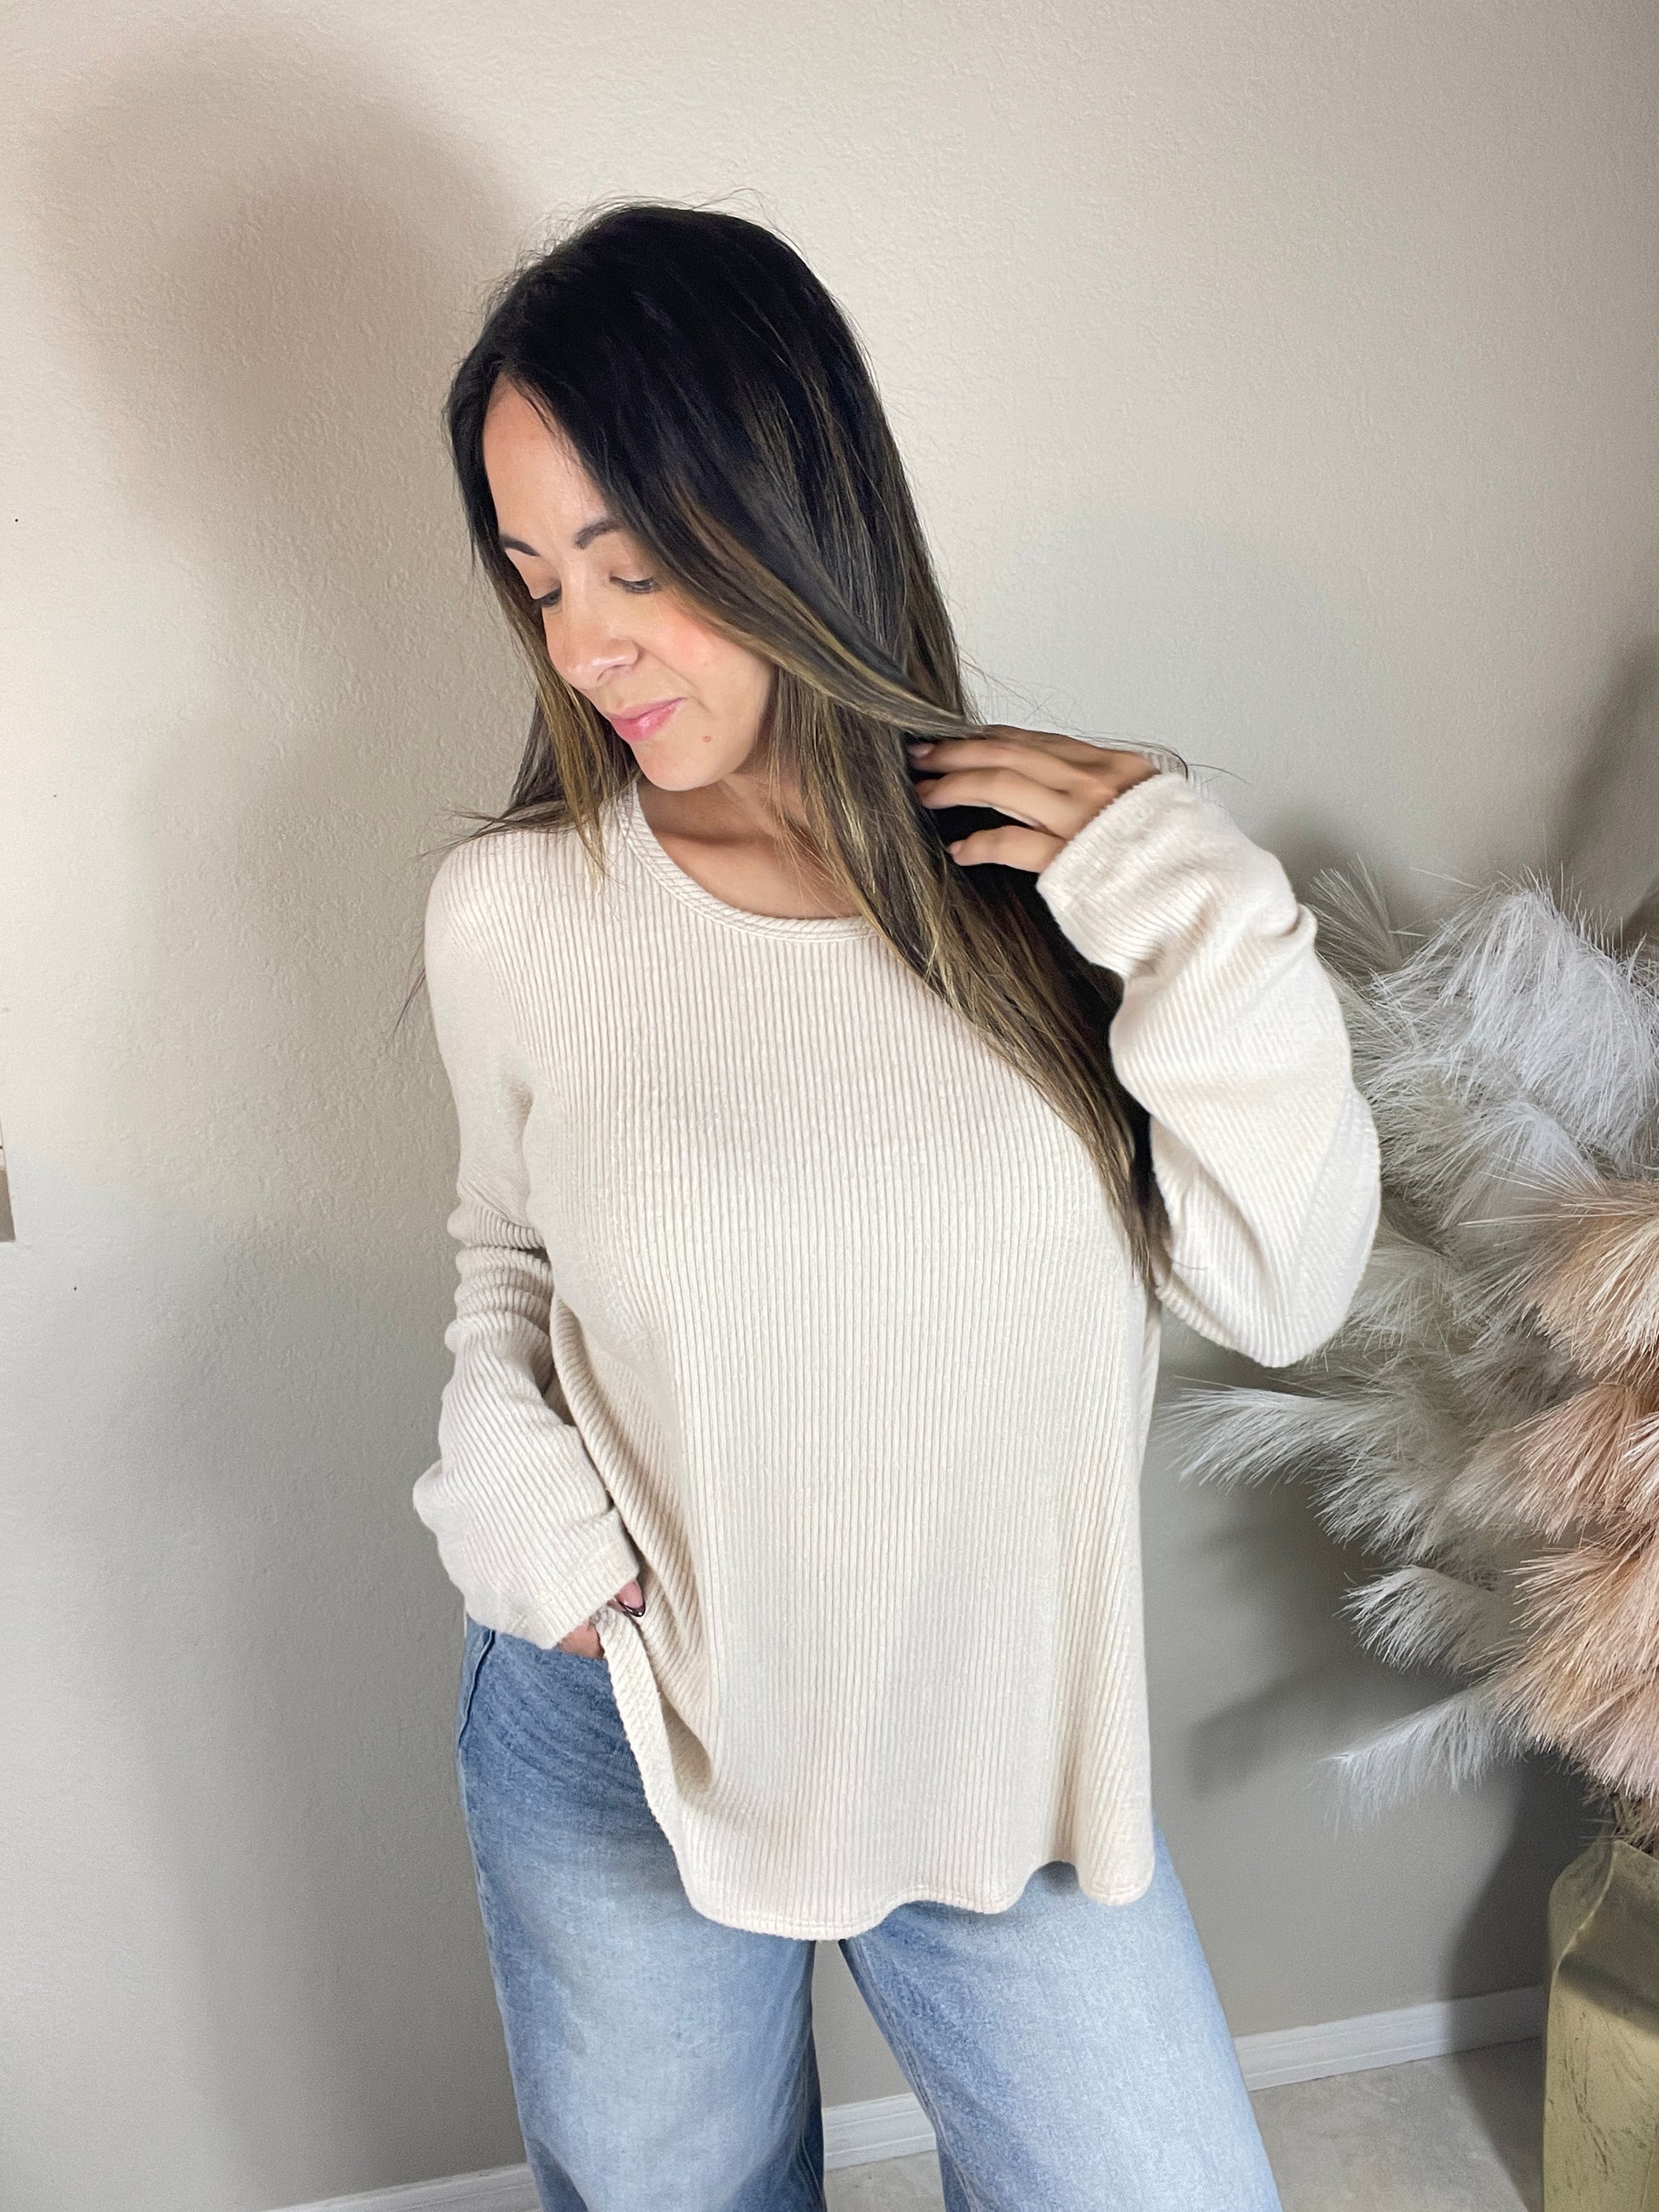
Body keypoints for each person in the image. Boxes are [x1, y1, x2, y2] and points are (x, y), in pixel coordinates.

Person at [413, 199, 1381, 2212]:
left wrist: (1207, 913)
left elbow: (1280, 1288)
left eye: (636, 562)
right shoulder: (517, 908)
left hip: (994, 1747)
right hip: (627, 1711)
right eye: (535, 577)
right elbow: (507, 1254)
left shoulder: (1065, 886)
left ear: (795, 507)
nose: (584, 644)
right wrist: (518, 1499)